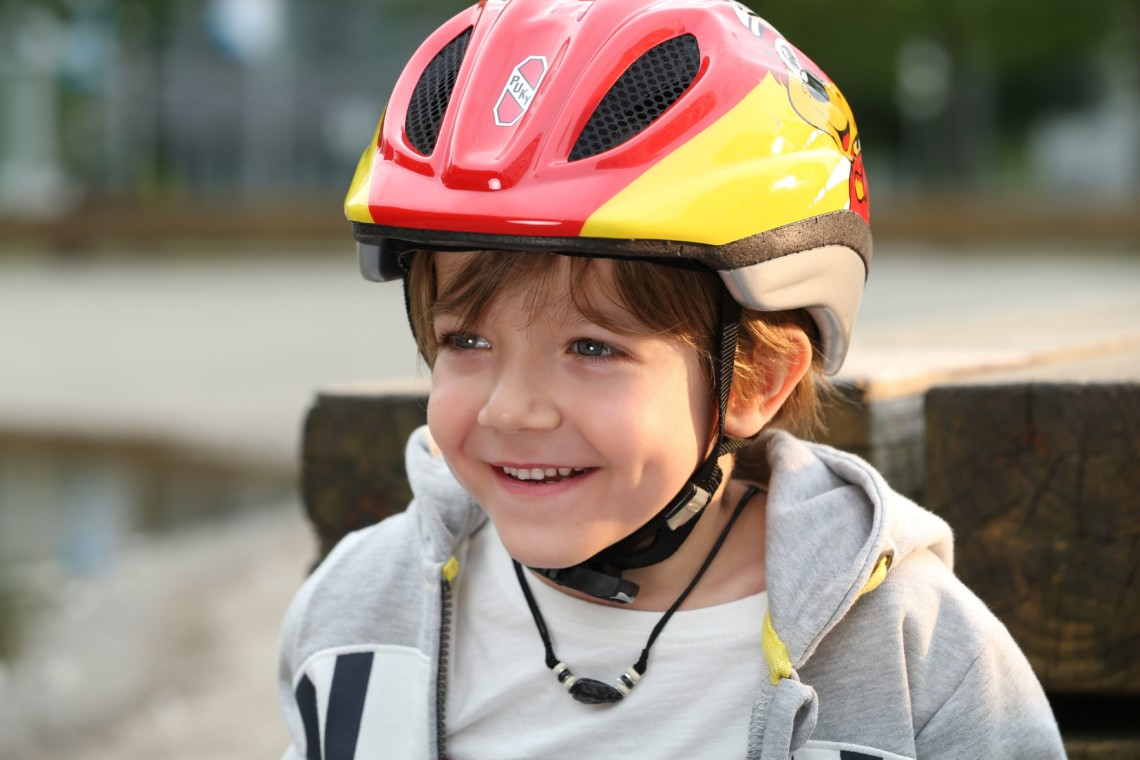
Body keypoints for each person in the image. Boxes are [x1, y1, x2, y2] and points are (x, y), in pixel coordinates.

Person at [277, 0, 1066, 757]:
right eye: (467, 339)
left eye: (592, 348)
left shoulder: (915, 651)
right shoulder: (358, 615)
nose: (511, 408)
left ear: (756, 381)